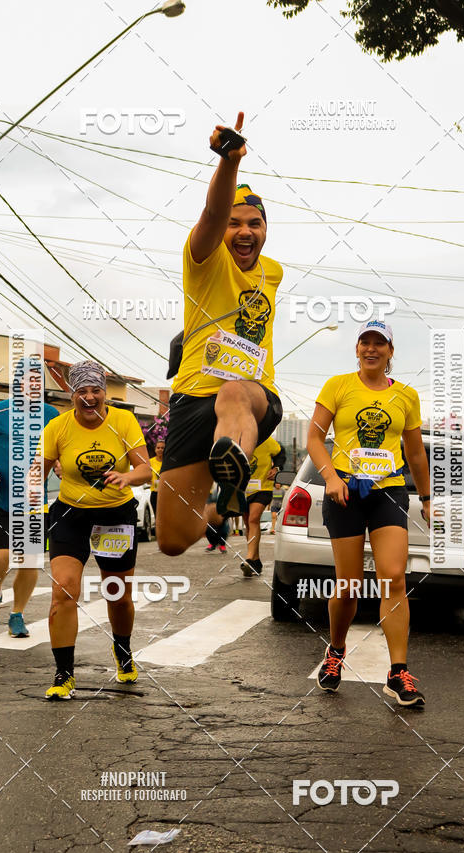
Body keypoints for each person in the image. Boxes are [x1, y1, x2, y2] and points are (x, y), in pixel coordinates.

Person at [157, 110, 283, 556]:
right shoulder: (204, 261)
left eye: (255, 223)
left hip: (253, 397)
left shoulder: (273, 272)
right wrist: (229, 162)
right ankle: (222, 507)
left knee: (233, 392)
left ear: (266, 229)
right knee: (172, 539)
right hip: (192, 399)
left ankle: (236, 462)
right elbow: (212, 212)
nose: (245, 232)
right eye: (235, 223)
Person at [306, 320, 431, 707]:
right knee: (349, 587)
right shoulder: (338, 385)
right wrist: (329, 476)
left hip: (388, 490)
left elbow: (414, 452)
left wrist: (426, 497)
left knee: (393, 576)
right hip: (344, 490)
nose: (372, 348)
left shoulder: (407, 396)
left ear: (391, 352)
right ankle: (337, 650)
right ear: (357, 349)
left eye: (380, 343)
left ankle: (398, 673)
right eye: (365, 342)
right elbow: (313, 437)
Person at [32, 361, 151, 700]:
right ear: (72, 396)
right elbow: (37, 473)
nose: (88, 397)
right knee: (63, 591)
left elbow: (145, 471)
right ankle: (63, 674)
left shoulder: (124, 421)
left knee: (116, 593)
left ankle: (123, 650)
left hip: (115, 514)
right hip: (70, 513)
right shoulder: (57, 427)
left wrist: (127, 477)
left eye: (95, 390)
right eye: (81, 391)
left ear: (104, 394)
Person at [0, 360, 59, 637]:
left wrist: (58, 463)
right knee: (2, 556)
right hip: (1, 499)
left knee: (30, 561)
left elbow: (61, 446)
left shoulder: (52, 414)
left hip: (35, 501)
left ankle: (17, 614)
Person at [241, 436, 285, 576]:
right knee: (248, 524)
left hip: (263, 488)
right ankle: (256, 561)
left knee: (253, 519)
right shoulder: (238, 441)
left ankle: (248, 558)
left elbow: (280, 452)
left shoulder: (265, 440)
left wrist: (276, 468)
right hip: (242, 489)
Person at [148, 439, 165, 516]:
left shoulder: (168, 462)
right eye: (158, 448)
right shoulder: (150, 462)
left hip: (167, 493)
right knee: (158, 517)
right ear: (155, 450)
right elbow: (146, 477)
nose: (160, 449)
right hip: (155, 493)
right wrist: (152, 482)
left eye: (162, 448)